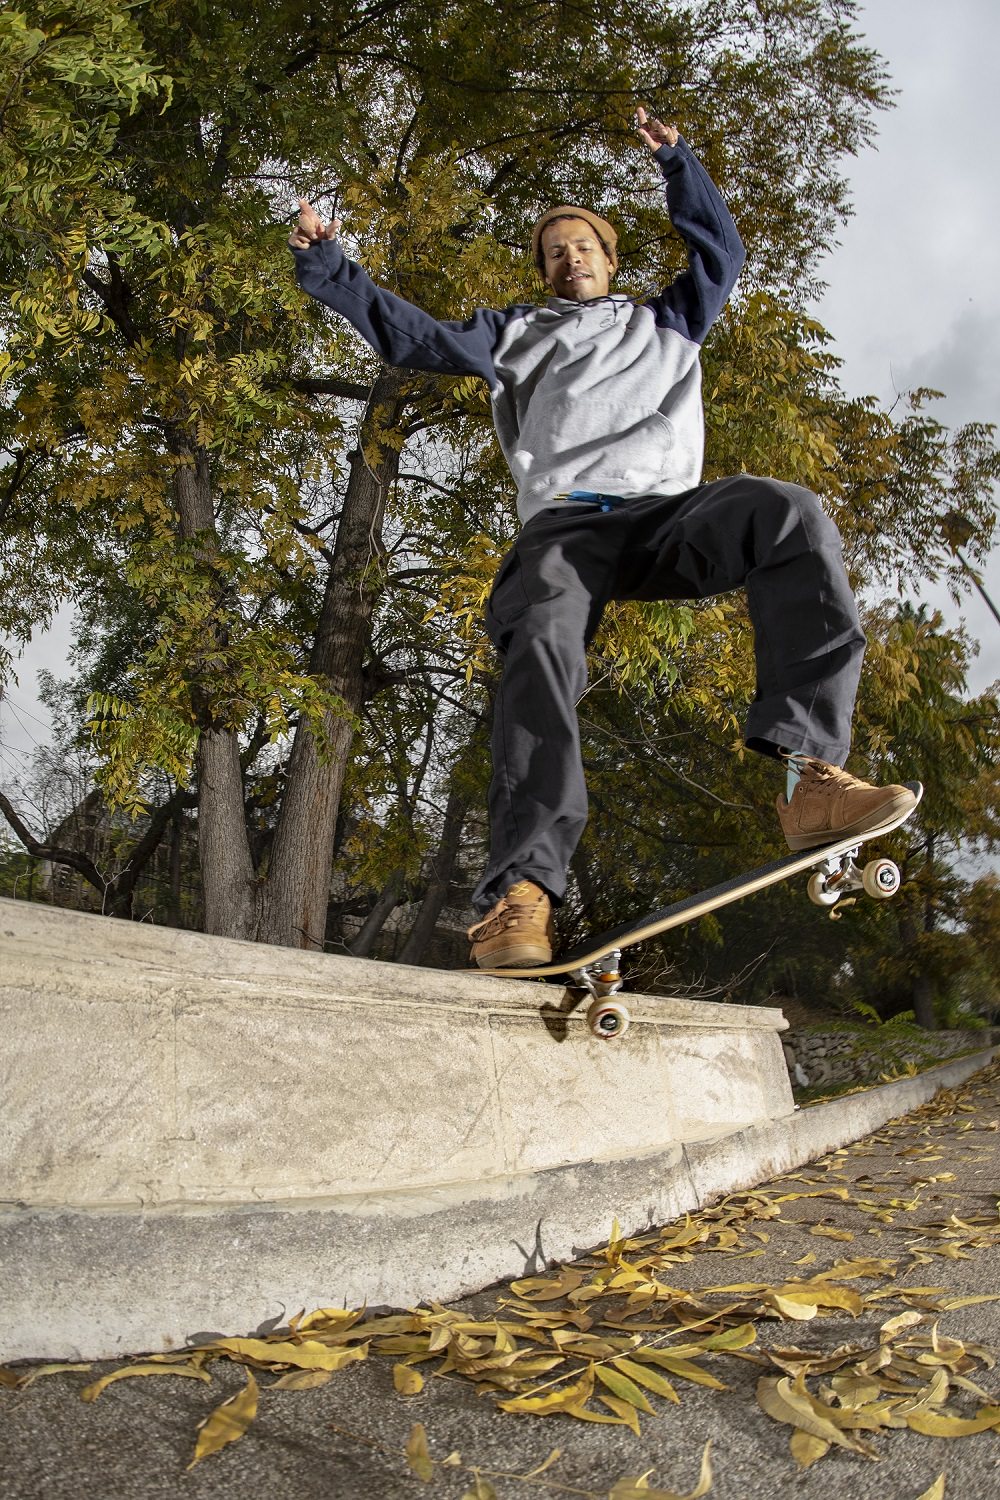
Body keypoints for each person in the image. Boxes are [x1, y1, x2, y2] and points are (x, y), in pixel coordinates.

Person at [289, 108, 916, 970]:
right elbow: (415, 336)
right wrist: (327, 264)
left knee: (788, 510)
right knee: (542, 635)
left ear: (609, 260)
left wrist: (678, 166)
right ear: (543, 271)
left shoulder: (670, 320)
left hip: (667, 518)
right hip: (566, 525)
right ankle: (521, 893)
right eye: (553, 250)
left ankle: (811, 775)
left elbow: (721, 255)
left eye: (582, 244)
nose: (568, 256)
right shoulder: (513, 331)